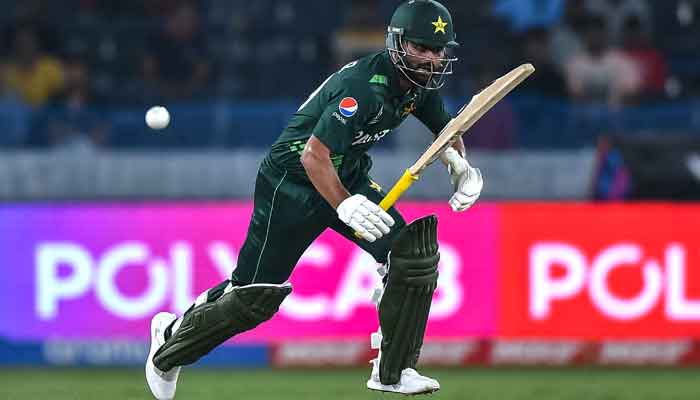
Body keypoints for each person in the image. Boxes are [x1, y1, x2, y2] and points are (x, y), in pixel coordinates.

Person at [145, 1, 484, 398]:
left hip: (346, 175)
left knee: (412, 254)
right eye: (421, 48)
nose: (431, 59)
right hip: (291, 183)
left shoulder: (419, 86)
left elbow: (448, 133)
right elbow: (312, 156)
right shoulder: (361, 88)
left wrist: (460, 167)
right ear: (397, 44)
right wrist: (343, 203)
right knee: (253, 298)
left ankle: (393, 371)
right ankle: (168, 343)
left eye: (438, 50)